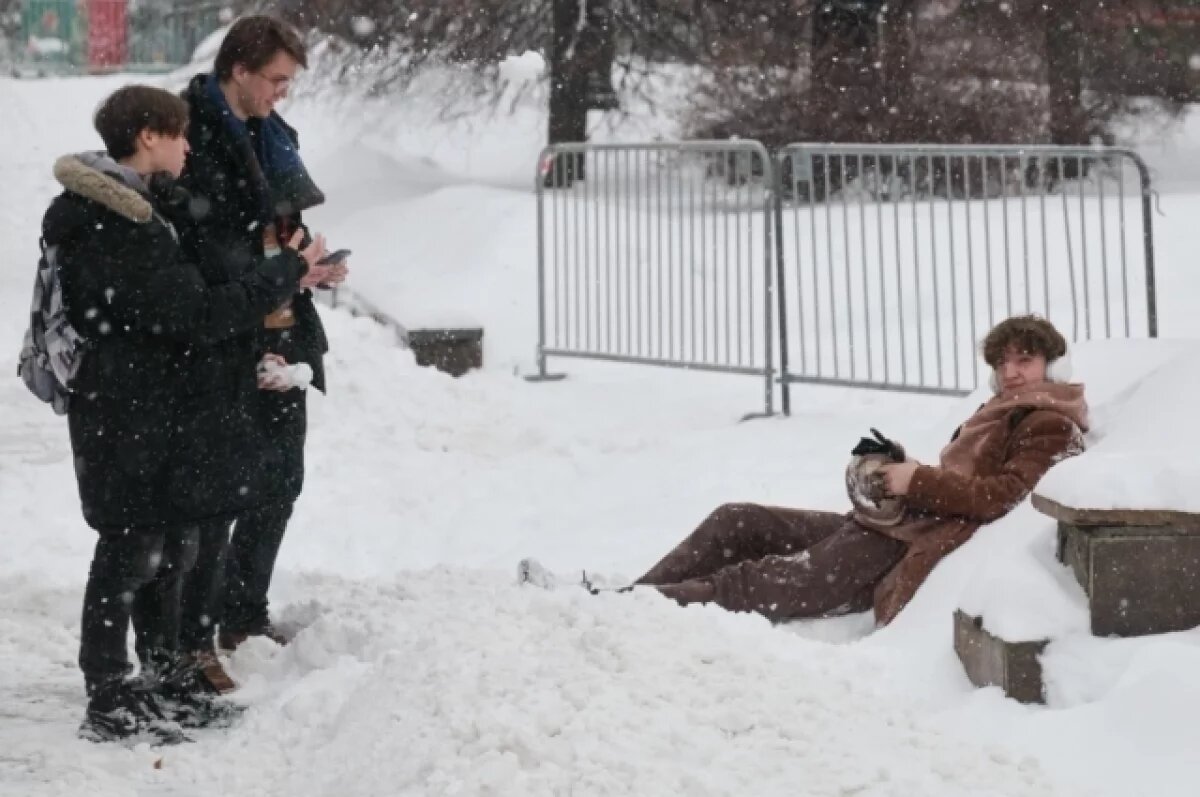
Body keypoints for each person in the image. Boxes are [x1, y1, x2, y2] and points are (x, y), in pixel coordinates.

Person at [45, 85, 321, 743]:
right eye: (179, 135)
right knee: (130, 550)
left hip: (154, 408)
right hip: (120, 413)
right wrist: (281, 274)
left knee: (174, 542)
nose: (190, 147)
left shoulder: (140, 211)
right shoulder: (105, 220)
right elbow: (192, 314)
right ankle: (109, 695)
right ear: (147, 136)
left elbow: (187, 304)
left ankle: (165, 676)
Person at [524, 315, 1088, 626]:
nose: (1012, 372)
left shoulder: (1047, 422)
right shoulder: (998, 410)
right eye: (1003, 362)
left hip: (907, 546)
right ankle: (635, 593)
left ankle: (620, 610)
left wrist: (914, 480)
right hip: (890, 525)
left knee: (756, 581)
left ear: (1049, 364)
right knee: (737, 520)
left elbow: (1001, 497)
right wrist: (893, 470)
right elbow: (962, 481)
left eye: (1024, 360)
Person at [175, 15, 347, 672]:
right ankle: (196, 634)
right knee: (218, 488)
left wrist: (308, 261)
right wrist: (283, 262)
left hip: (283, 325)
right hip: (225, 333)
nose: (282, 92)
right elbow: (208, 244)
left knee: (280, 476)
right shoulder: (191, 132)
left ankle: (243, 613)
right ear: (239, 71)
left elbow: (278, 224)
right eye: (275, 79)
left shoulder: (269, 134)